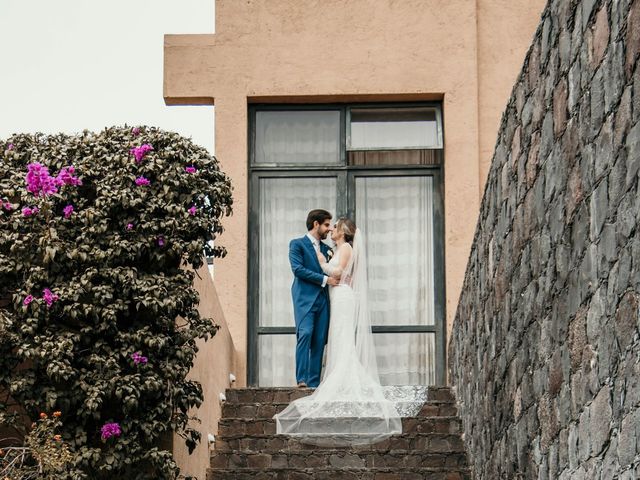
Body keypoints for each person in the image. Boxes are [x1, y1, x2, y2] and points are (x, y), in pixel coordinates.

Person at [276, 218, 402, 446]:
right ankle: (320, 377)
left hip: (341, 296)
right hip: (335, 295)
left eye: (334, 226)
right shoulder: (333, 247)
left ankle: (339, 377)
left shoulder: (344, 247)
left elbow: (339, 271)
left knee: (341, 337)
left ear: (343, 231)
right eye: (328, 225)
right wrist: (326, 266)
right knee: (334, 337)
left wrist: (323, 263)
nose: (331, 229)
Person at [288, 209, 338, 389]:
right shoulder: (297, 244)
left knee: (319, 340)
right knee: (306, 334)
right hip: (304, 299)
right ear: (315, 224)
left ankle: (314, 383)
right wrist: (325, 279)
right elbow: (298, 270)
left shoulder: (328, 250)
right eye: (326, 225)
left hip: (324, 301)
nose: (329, 229)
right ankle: (301, 380)